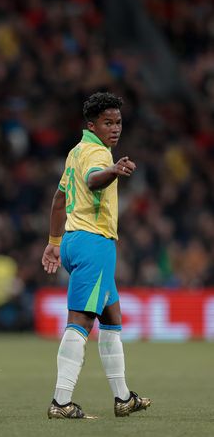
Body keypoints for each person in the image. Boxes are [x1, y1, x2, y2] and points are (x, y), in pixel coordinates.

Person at [42, 91, 151, 419]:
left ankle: (123, 398)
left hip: (74, 240)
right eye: (108, 123)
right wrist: (113, 171)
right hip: (95, 243)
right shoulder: (97, 154)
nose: (115, 128)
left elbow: (60, 201)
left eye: (118, 122)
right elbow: (92, 181)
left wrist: (53, 242)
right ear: (92, 125)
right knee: (80, 321)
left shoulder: (75, 152)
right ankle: (61, 402)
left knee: (112, 319)